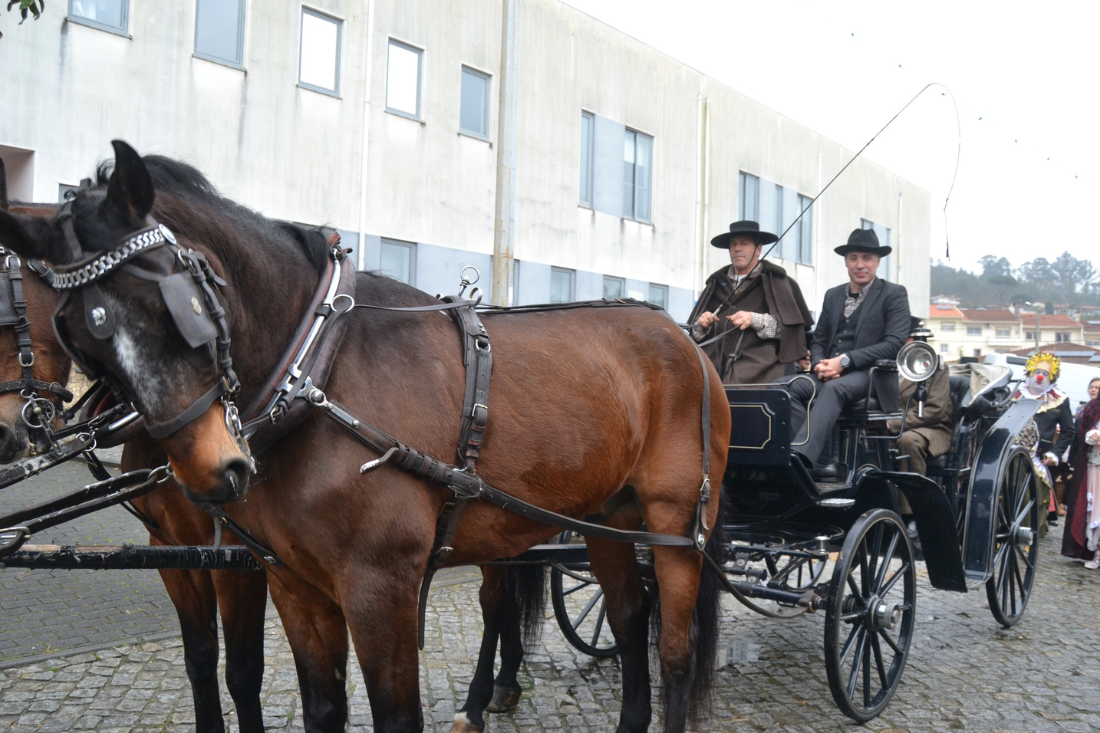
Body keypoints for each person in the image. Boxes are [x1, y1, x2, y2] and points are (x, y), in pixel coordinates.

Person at [779, 228, 911, 480]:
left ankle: (802, 458)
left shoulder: (894, 294)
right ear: (846, 261)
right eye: (853, 258)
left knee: (834, 390)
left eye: (866, 258)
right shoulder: (833, 295)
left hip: (870, 376)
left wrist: (844, 361)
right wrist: (820, 364)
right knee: (782, 387)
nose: (860, 265)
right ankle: (811, 456)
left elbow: (893, 343)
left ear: (878, 261)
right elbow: (819, 339)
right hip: (829, 373)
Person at [688, 220, 813, 385]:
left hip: (760, 366)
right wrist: (701, 325)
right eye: (733, 244)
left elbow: (792, 333)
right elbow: (694, 336)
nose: (737, 248)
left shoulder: (778, 281)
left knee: (737, 391)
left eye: (744, 243)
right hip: (713, 365)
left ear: (758, 249)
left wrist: (755, 320)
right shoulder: (715, 283)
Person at [1010, 352, 1076, 525]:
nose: (1040, 377)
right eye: (1037, 372)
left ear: (1052, 377)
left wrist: (1055, 454)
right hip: (1010, 457)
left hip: (1038, 460)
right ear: (1029, 373)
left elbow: (1069, 431)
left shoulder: (1059, 400)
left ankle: (1030, 535)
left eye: (1045, 374)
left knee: (1034, 499)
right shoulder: (1014, 395)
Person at [892, 318, 953, 476]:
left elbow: (935, 410)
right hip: (891, 429)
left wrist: (891, 424)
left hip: (931, 429)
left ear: (910, 341)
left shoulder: (934, 367)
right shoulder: (887, 366)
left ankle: (912, 500)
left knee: (908, 441)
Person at [1062, 377, 1100, 567]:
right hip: (1095, 469)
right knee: (1094, 510)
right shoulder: (1093, 407)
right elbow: (1083, 433)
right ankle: (1094, 553)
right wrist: (1091, 436)